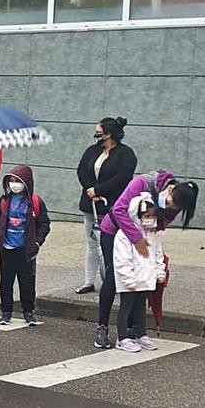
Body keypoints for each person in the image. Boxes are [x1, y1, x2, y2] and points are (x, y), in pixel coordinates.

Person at [96, 170, 198, 348]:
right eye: (167, 201)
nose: (166, 207)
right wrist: (137, 239)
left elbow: (159, 225)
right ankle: (102, 328)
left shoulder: (174, 207)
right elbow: (119, 210)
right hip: (114, 231)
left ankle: (132, 330)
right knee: (113, 278)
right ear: (170, 188)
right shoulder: (143, 182)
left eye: (171, 208)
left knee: (141, 280)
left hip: (143, 237)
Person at [75, 117, 138, 295]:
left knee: (112, 244)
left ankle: (113, 280)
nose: (96, 135)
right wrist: (90, 190)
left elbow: (123, 177)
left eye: (99, 131)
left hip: (112, 206)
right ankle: (88, 281)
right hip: (91, 204)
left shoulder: (126, 154)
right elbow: (81, 171)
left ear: (109, 134)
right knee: (92, 243)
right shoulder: (92, 151)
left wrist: (100, 190)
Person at [0, 165, 50, 327]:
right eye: (12, 181)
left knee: (27, 282)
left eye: (18, 181)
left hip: (26, 250)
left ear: (27, 183)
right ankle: (6, 311)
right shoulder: (4, 201)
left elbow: (44, 224)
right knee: (6, 281)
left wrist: (37, 242)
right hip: (7, 249)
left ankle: (28, 311)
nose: (14, 184)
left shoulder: (36, 202)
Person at [112, 193, 166, 353]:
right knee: (126, 308)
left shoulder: (152, 234)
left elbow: (158, 254)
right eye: (146, 216)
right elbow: (122, 260)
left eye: (152, 216)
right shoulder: (124, 235)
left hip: (146, 278)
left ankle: (140, 334)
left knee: (140, 307)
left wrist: (159, 272)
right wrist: (128, 279)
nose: (149, 219)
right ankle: (122, 338)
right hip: (131, 280)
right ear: (137, 214)